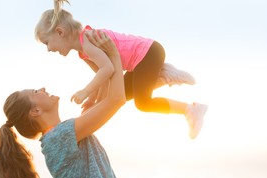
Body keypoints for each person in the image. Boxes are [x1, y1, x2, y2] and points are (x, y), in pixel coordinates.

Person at [0, 31, 135, 178]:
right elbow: (116, 99)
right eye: (34, 92)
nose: (41, 88)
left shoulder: (64, 134)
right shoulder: (60, 137)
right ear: (35, 111)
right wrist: (114, 57)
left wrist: (98, 57)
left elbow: (110, 92)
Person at [34, 0, 208, 139]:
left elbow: (108, 69)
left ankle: (190, 109)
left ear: (60, 32)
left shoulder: (87, 40)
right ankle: (163, 74)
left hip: (148, 54)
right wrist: (94, 101)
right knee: (120, 94)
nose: (48, 49)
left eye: (47, 43)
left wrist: (86, 91)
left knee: (143, 103)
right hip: (144, 59)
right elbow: (103, 77)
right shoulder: (82, 51)